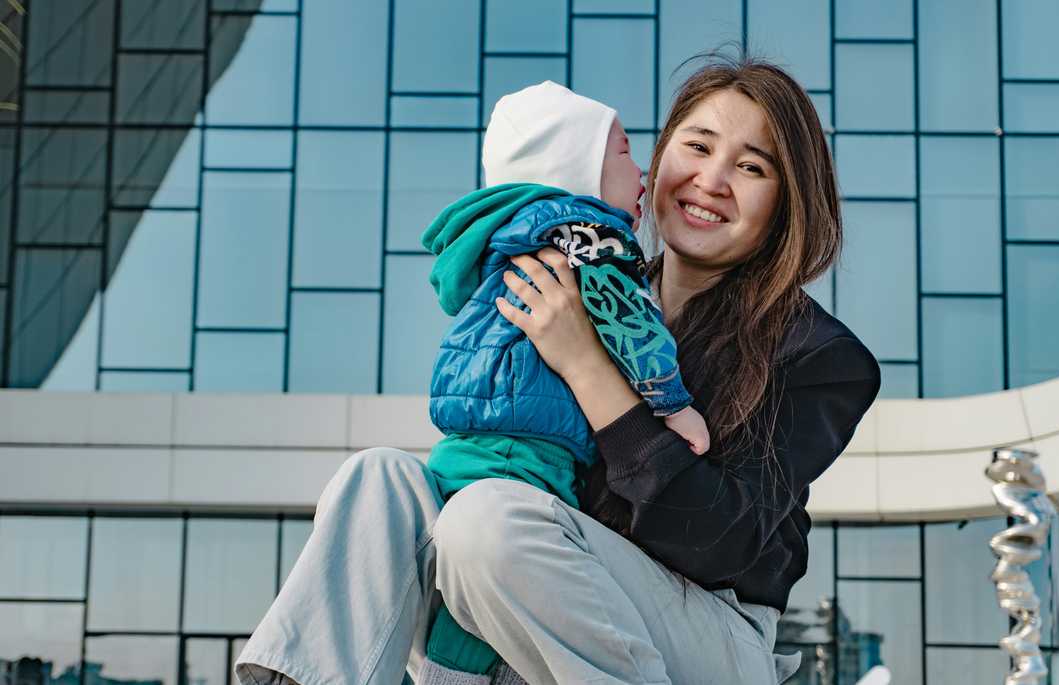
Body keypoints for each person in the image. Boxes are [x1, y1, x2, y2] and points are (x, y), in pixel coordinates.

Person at [235, 53, 881, 685]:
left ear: (785, 202)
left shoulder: (819, 355)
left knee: (483, 522)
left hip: (709, 632)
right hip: (563, 595)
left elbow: (718, 541)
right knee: (380, 477)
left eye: (751, 166)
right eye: (698, 146)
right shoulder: (587, 277)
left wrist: (584, 365)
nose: (712, 180)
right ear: (656, 164)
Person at [418, 80, 711, 684]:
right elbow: (627, 321)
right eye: (625, 153)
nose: (643, 172)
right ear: (574, 166)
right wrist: (673, 404)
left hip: (469, 434)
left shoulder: (511, 229)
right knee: (483, 591)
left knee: (459, 577)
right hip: (526, 442)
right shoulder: (589, 236)